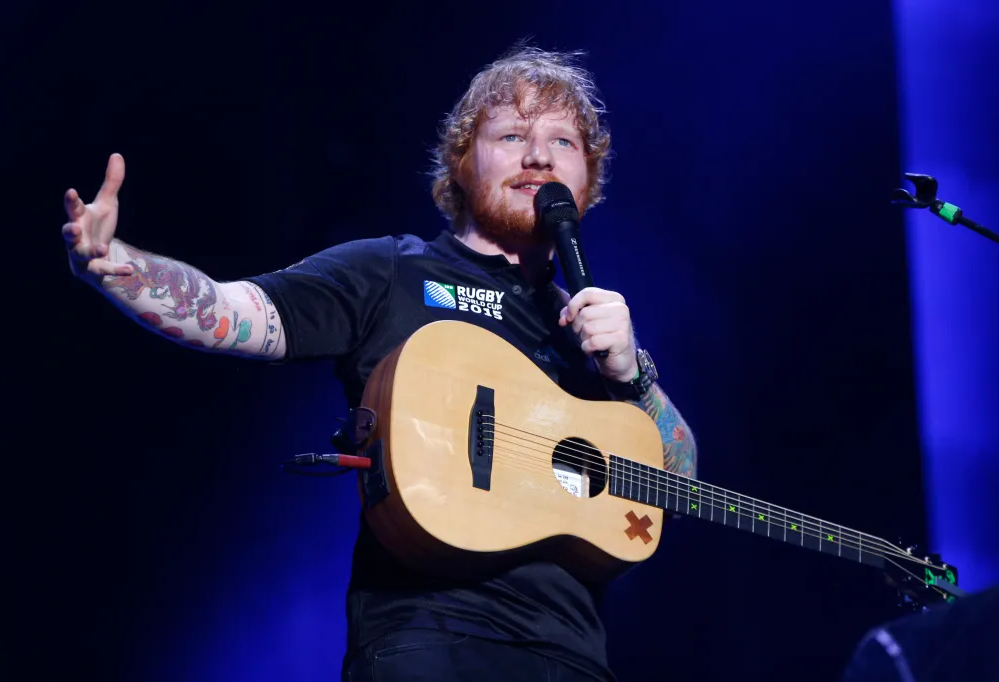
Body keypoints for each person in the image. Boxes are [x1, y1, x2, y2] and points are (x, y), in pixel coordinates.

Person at [62, 46, 698, 682]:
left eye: (563, 141)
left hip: (575, 661)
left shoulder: (592, 335)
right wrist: (120, 267)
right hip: (429, 643)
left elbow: (679, 484)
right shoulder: (391, 270)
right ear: (462, 161)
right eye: (511, 135)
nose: (539, 156)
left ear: (588, 177)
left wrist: (630, 373)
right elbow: (232, 313)